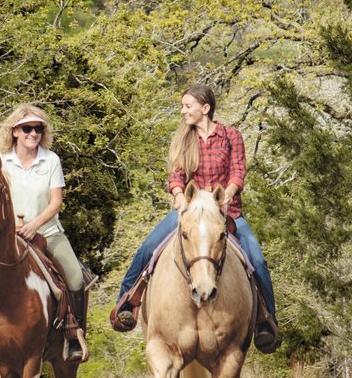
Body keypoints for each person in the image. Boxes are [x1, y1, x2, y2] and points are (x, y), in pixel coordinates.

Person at [110, 84, 279, 352]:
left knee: (256, 259)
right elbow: (176, 176)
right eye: (182, 106)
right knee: (147, 248)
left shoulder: (231, 136)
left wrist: (228, 193)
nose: (183, 110)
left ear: (205, 108)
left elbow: (237, 171)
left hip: (226, 212)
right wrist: (178, 196)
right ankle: (127, 303)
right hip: (190, 212)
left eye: (187, 106)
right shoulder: (183, 139)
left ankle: (266, 321)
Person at [0, 104, 89, 361]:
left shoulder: (50, 160)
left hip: (47, 231)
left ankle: (74, 336)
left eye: (38, 129)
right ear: (15, 132)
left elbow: (56, 202)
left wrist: (35, 224)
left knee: (75, 276)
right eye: (27, 128)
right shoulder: (1, 161)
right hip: (8, 235)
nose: (33, 134)